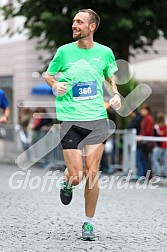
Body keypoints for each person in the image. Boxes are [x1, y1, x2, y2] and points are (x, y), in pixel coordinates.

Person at [44, 9, 121, 241]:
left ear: (92, 27)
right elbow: (49, 75)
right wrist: (54, 85)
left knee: (92, 173)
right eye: (74, 21)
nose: (74, 25)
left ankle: (88, 223)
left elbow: (109, 76)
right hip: (70, 119)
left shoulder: (105, 53)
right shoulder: (64, 52)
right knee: (77, 175)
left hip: (96, 118)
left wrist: (115, 94)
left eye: (79, 22)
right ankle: (68, 182)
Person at [136, 104, 154, 178]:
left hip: (146, 141)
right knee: (144, 158)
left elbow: (147, 130)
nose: (142, 111)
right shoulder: (144, 118)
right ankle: (145, 174)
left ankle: (147, 174)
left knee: (145, 158)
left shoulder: (148, 118)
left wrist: (141, 136)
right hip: (144, 140)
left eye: (143, 110)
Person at [152, 112, 167, 177]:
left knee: (154, 158)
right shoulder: (160, 126)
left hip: (161, 145)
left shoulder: (158, 127)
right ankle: (164, 173)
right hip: (163, 145)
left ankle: (159, 172)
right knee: (164, 160)